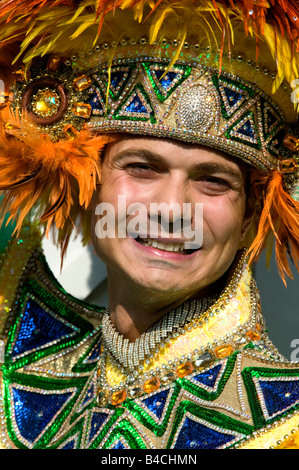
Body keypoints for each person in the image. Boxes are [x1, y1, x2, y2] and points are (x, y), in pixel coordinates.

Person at [0, 0, 298, 450]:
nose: (173, 208)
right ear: (90, 184)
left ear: (247, 221)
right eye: (142, 167)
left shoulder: (285, 426)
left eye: (213, 181)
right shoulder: (14, 372)